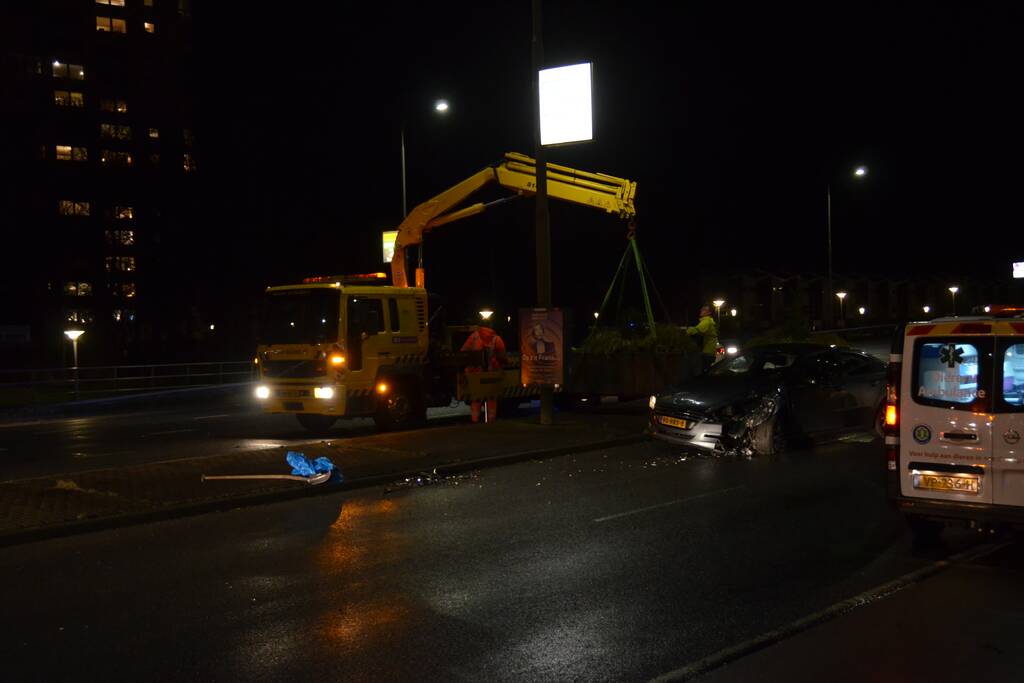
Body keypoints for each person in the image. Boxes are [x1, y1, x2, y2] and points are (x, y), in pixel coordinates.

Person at [461, 322, 508, 423]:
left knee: (476, 398)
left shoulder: (473, 337)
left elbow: (463, 352)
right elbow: (503, 357)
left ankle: (475, 420)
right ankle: (491, 421)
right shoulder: (496, 338)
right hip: (492, 374)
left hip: (475, 374)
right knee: (491, 398)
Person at [687, 304, 720, 372]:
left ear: (709, 313)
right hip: (710, 350)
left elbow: (696, 330)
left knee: (704, 371)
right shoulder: (709, 321)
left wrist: (685, 331)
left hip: (708, 351)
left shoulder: (706, 321)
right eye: (702, 309)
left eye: (704, 309)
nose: (701, 310)